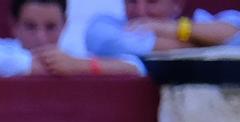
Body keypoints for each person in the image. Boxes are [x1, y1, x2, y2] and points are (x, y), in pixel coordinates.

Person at [0, 0, 144, 73]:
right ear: (14, 26)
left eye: (50, 27)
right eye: (30, 27)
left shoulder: (73, 58)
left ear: (64, 25)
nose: (41, 37)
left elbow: (136, 67)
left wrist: (81, 66)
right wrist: (53, 66)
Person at [87, 0, 240, 62]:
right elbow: (111, 41)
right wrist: (207, 44)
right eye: (132, 1)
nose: (140, 11)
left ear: (177, 5)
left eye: (152, 1)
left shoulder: (213, 21)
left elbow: (235, 37)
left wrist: (173, 28)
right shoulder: (105, 25)